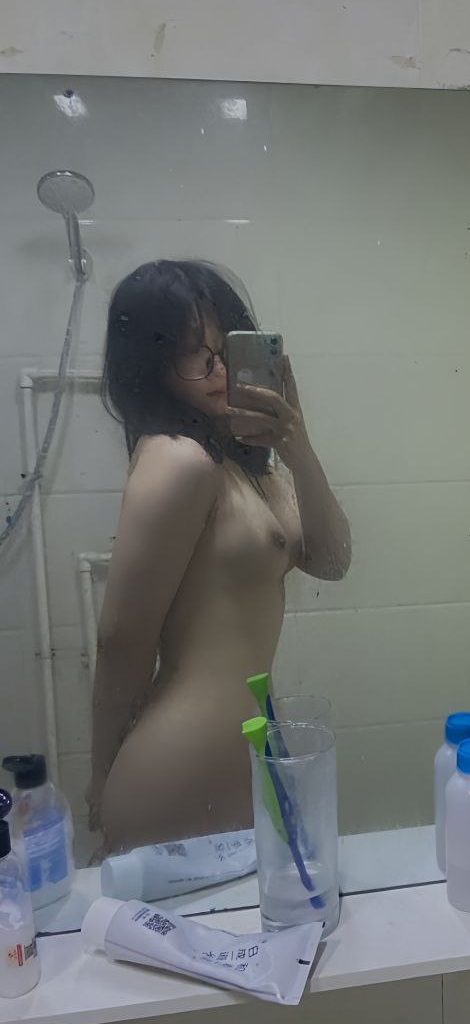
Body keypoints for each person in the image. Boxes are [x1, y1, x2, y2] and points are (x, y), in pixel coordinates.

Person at [88, 260, 350, 852]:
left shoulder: (248, 466)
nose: (219, 369)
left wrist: (298, 446)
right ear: (150, 364)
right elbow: (122, 640)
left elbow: (332, 561)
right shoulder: (178, 458)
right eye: (193, 354)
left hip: (248, 742)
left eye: (225, 349)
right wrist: (101, 775)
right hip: (181, 761)